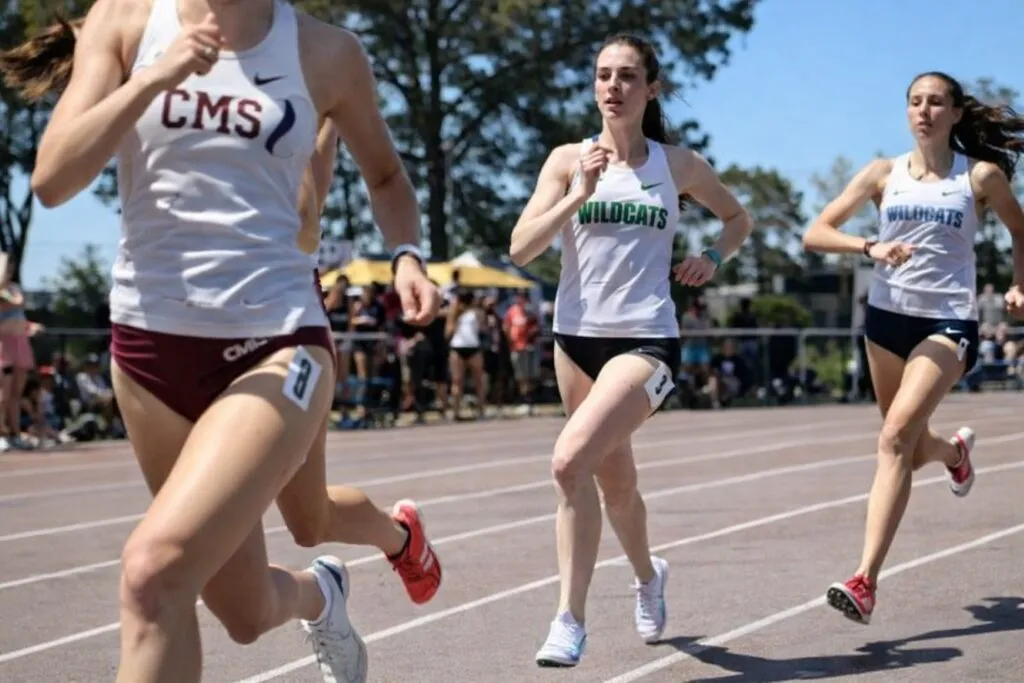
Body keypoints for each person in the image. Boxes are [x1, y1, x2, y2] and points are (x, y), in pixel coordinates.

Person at [4, 2, 441, 682]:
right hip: (150, 353)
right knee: (240, 610)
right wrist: (153, 78)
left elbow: (384, 176)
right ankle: (321, 593)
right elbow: (53, 179)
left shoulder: (328, 54)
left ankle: (398, 536)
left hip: (276, 339)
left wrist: (408, 254)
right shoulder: (123, 21)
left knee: (155, 572)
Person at [509, 33, 753, 667]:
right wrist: (575, 195)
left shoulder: (677, 166)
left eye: (626, 76)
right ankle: (649, 576)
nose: (612, 86)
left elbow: (738, 220)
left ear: (651, 89)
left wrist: (711, 256)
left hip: (646, 338)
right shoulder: (568, 160)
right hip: (574, 342)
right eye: (602, 75)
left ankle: (569, 618)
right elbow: (520, 249)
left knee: (568, 464)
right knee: (613, 483)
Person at [802, 71, 1024, 626]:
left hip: (947, 321)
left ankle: (865, 580)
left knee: (894, 437)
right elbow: (816, 231)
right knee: (907, 443)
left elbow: (1022, 230)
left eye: (936, 103)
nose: (924, 111)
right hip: (885, 322)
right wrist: (869, 246)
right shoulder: (883, 174)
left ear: (954, 114)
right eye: (916, 102)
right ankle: (954, 455)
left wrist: (1020, 283)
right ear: (907, 112)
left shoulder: (981, 178)